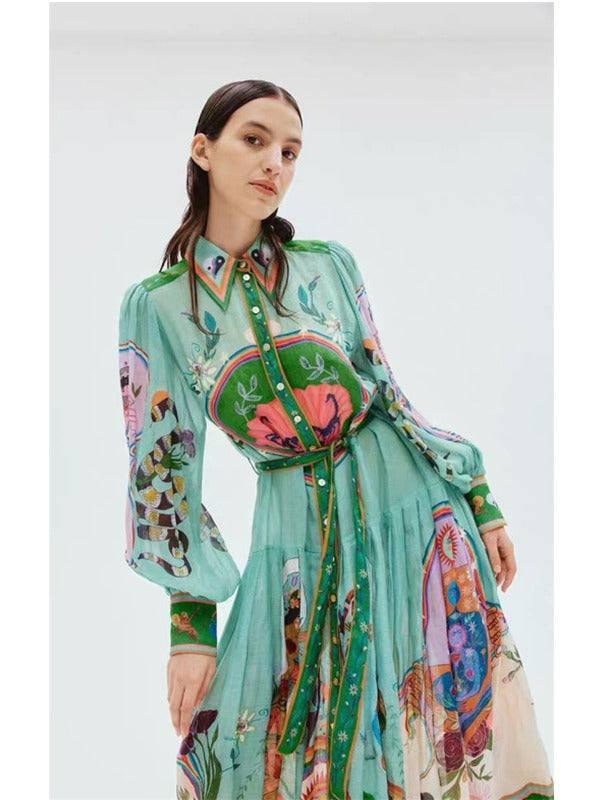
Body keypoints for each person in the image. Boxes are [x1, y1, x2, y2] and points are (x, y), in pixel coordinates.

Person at [118, 79, 553, 800]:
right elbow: (162, 471)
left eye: (290, 151)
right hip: (291, 529)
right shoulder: (159, 307)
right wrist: (190, 627)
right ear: (203, 150)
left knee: (431, 717)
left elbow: (387, 391)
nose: (274, 164)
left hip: (408, 510)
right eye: (254, 140)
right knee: (245, 739)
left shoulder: (327, 266)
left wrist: (476, 493)